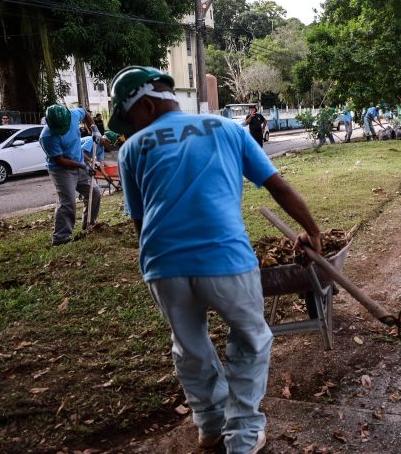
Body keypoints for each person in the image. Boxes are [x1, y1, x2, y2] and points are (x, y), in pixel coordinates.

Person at [108, 66, 321, 454]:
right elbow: (278, 186)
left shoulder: (132, 150)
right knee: (251, 340)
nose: (128, 127)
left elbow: (140, 222)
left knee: (189, 346)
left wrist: (157, 262)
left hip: (163, 263)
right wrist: (313, 230)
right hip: (225, 258)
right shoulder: (226, 129)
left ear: (149, 104)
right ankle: (241, 437)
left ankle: (209, 426)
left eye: (130, 117)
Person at [39, 104, 101, 246]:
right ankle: (61, 237)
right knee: (67, 202)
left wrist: (94, 129)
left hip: (79, 164)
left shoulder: (73, 115)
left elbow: (85, 113)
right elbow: (60, 160)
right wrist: (83, 166)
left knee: (95, 193)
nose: (63, 131)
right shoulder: (47, 137)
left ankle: (89, 225)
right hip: (61, 170)